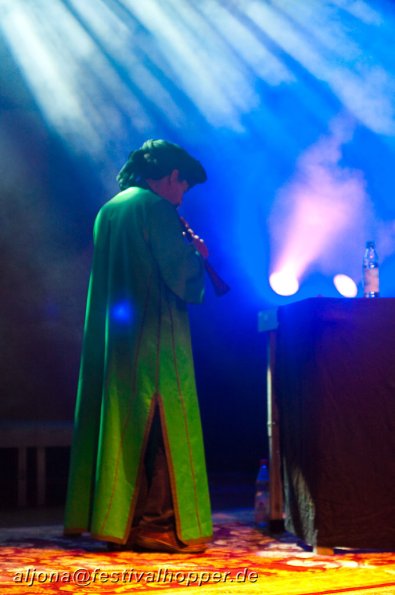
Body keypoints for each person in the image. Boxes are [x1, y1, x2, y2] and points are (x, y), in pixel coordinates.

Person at [64, 139, 212, 553]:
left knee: (123, 428)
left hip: (117, 342)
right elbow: (180, 276)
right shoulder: (157, 208)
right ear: (170, 177)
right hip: (155, 340)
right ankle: (159, 525)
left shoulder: (109, 210)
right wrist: (197, 256)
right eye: (183, 187)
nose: (182, 197)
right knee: (164, 429)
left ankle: (118, 523)